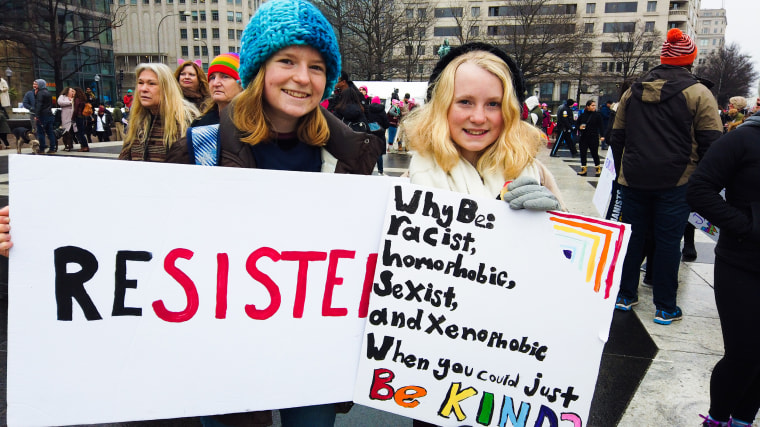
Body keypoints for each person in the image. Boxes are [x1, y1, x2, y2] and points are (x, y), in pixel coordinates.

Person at [209, 0, 382, 424]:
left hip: (313, 349)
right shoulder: (202, 146)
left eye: (317, 66)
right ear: (258, 70)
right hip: (222, 347)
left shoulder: (352, 154)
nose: (302, 78)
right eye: (287, 60)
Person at [610, 28, 723, 324]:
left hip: (633, 178)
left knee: (632, 240)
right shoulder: (699, 93)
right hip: (677, 180)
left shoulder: (631, 92)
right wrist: (702, 180)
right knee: (668, 242)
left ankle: (624, 295)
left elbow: (617, 137)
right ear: (689, 61)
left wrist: (624, 170)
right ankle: (665, 306)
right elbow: (713, 142)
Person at [405, 42, 564, 211]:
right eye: (465, 102)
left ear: (509, 111)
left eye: (493, 104)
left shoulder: (537, 174)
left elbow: (575, 236)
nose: (479, 118)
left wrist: (553, 221)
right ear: (441, 107)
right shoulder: (407, 184)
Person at [687, 111, 760, 427]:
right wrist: (745, 226)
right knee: (744, 353)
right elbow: (699, 190)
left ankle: (743, 420)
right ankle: (716, 419)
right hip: (742, 263)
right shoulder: (742, 138)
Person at [119, 63, 199, 162]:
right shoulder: (137, 120)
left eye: (151, 83)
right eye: (140, 83)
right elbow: (124, 160)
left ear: (166, 88)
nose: (143, 89)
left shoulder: (187, 119)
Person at [184, 52, 242, 164]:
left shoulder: (255, 124)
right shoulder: (200, 124)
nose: (215, 83)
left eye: (225, 76)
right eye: (212, 77)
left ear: (241, 83)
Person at [575, 99, 604, 176]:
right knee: (583, 153)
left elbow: (601, 126)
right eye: (592, 105)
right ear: (588, 106)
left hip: (593, 137)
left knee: (594, 153)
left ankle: (598, 168)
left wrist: (602, 135)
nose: (594, 107)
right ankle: (583, 169)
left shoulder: (597, 115)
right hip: (584, 137)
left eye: (594, 105)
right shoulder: (582, 115)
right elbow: (577, 124)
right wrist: (579, 127)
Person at [366, 95, 390, 175]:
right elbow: (387, 124)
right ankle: (380, 171)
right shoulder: (382, 111)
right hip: (380, 134)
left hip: (370, 134)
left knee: (369, 153)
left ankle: (368, 169)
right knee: (379, 154)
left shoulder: (368, 110)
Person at [33, 79, 57, 154]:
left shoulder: (40, 93)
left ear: (40, 85)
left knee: (41, 133)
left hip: (42, 115)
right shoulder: (48, 92)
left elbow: (39, 105)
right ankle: (52, 148)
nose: (34, 86)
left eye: (36, 84)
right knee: (50, 132)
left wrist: (36, 115)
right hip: (49, 114)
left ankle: (42, 149)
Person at [57, 87, 78, 151]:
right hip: (65, 116)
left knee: (72, 132)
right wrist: (70, 102)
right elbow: (60, 102)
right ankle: (66, 145)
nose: (72, 92)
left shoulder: (74, 97)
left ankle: (71, 145)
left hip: (73, 116)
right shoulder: (62, 97)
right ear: (67, 91)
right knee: (65, 132)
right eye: (71, 91)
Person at [73, 87, 91, 152]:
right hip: (83, 116)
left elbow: (76, 110)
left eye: (73, 92)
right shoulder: (83, 99)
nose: (73, 93)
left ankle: (84, 146)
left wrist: (73, 117)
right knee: (82, 132)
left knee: (80, 133)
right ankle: (85, 146)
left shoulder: (77, 99)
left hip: (78, 116)